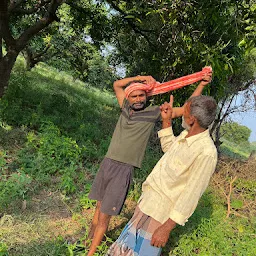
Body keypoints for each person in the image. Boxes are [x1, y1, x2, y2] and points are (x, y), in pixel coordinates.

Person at [86, 72, 212, 256]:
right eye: (134, 95)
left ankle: (91, 252)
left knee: (105, 215)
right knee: (98, 208)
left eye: (141, 95)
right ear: (128, 98)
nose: (137, 99)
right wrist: (139, 78)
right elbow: (117, 85)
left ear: (147, 96)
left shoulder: (154, 113)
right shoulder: (125, 108)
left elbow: (186, 109)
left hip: (123, 169)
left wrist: (200, 84)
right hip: (108, 163)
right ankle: (87, 242)